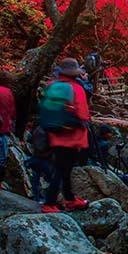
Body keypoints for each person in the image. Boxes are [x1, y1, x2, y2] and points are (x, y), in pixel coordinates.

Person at [41, 57, 91, 213]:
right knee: (62, 169)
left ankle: (69, 198)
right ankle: (49, 202)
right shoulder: (77, 89)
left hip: (53, 133)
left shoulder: (51, 85)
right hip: (72, 136)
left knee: (64, 168)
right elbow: (83, 114)